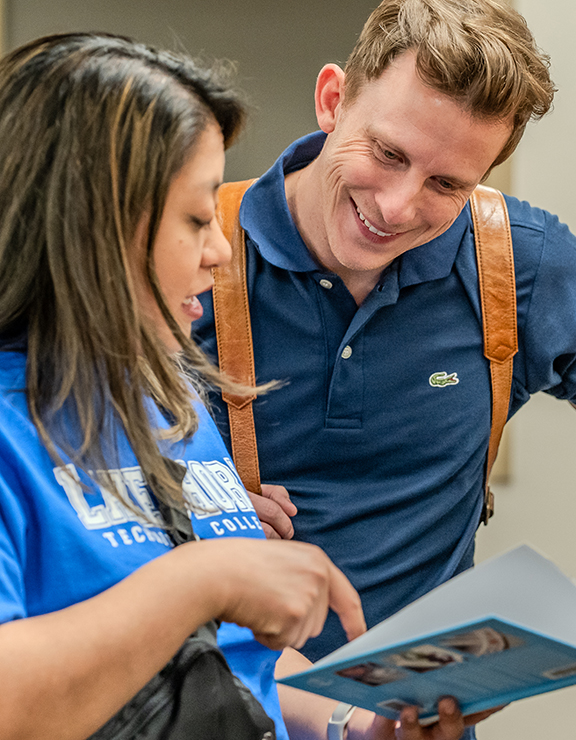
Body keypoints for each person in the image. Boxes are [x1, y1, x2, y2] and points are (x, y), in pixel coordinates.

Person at [0, 31, 484, 740]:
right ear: (91, 225)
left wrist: (356, 724)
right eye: (197, 219)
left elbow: (229, 663)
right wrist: (206, 579)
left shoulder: (171, 399)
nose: (222, 251)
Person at [193, 0, 572, 729]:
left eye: (446, 185)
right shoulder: (190, 254)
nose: (397, 208)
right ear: (332, 99)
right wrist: (188, 505)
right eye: (389, 154)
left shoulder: (520, 262)